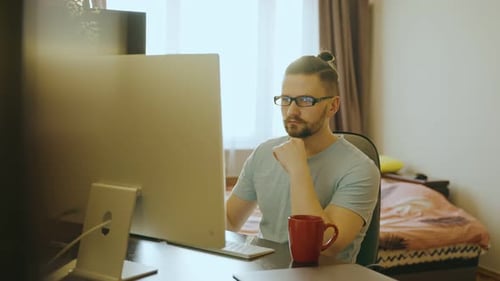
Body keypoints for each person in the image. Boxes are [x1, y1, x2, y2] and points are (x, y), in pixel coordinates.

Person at [225, 52, 380, 264]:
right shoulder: (264, 153)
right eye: (286, 99)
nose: (291, 111)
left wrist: (298, 169)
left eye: (305, 100)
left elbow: (325, 246)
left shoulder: (360, 168)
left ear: (333, 106)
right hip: (266, 276)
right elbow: (229, 220)